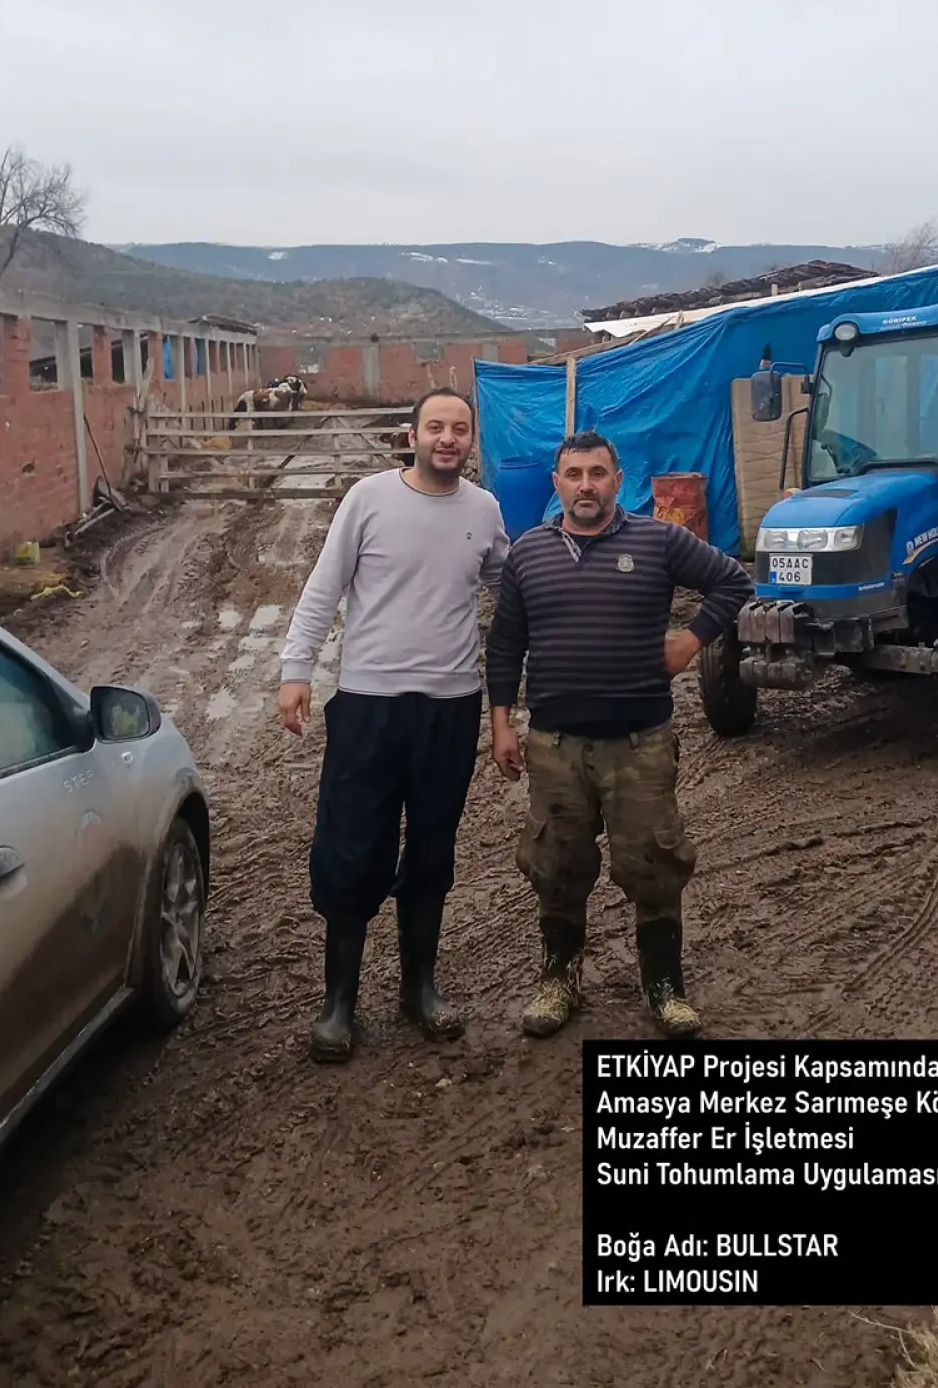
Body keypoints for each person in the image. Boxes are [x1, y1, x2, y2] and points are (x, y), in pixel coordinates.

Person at [485, 431, 753, 1041]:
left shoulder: (658, 540)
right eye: (574, 474)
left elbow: (733, 582)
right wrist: (502, 724)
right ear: (557, 483)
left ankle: (665, 988)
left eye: (598, 473)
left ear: (618, 480)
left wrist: (689, 642)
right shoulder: (528, 553)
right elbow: (505, 645)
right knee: (556, 864)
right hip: (555, 746)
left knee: (655, 863)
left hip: (640, 745)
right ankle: (558, 980)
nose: (586, 485)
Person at [277, 389, 509, 1062]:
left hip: (450, 707)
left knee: (433, 849)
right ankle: (338, 1002)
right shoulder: (368, 499)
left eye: (459, 428)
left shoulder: (485, 510)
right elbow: (324, 586)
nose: (447, 438)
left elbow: (512, 590)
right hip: (368, 703)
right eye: (435, 427)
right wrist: (296, 669)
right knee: (351, 846)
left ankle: (419, 988)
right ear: (412, 436)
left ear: (471, 440)